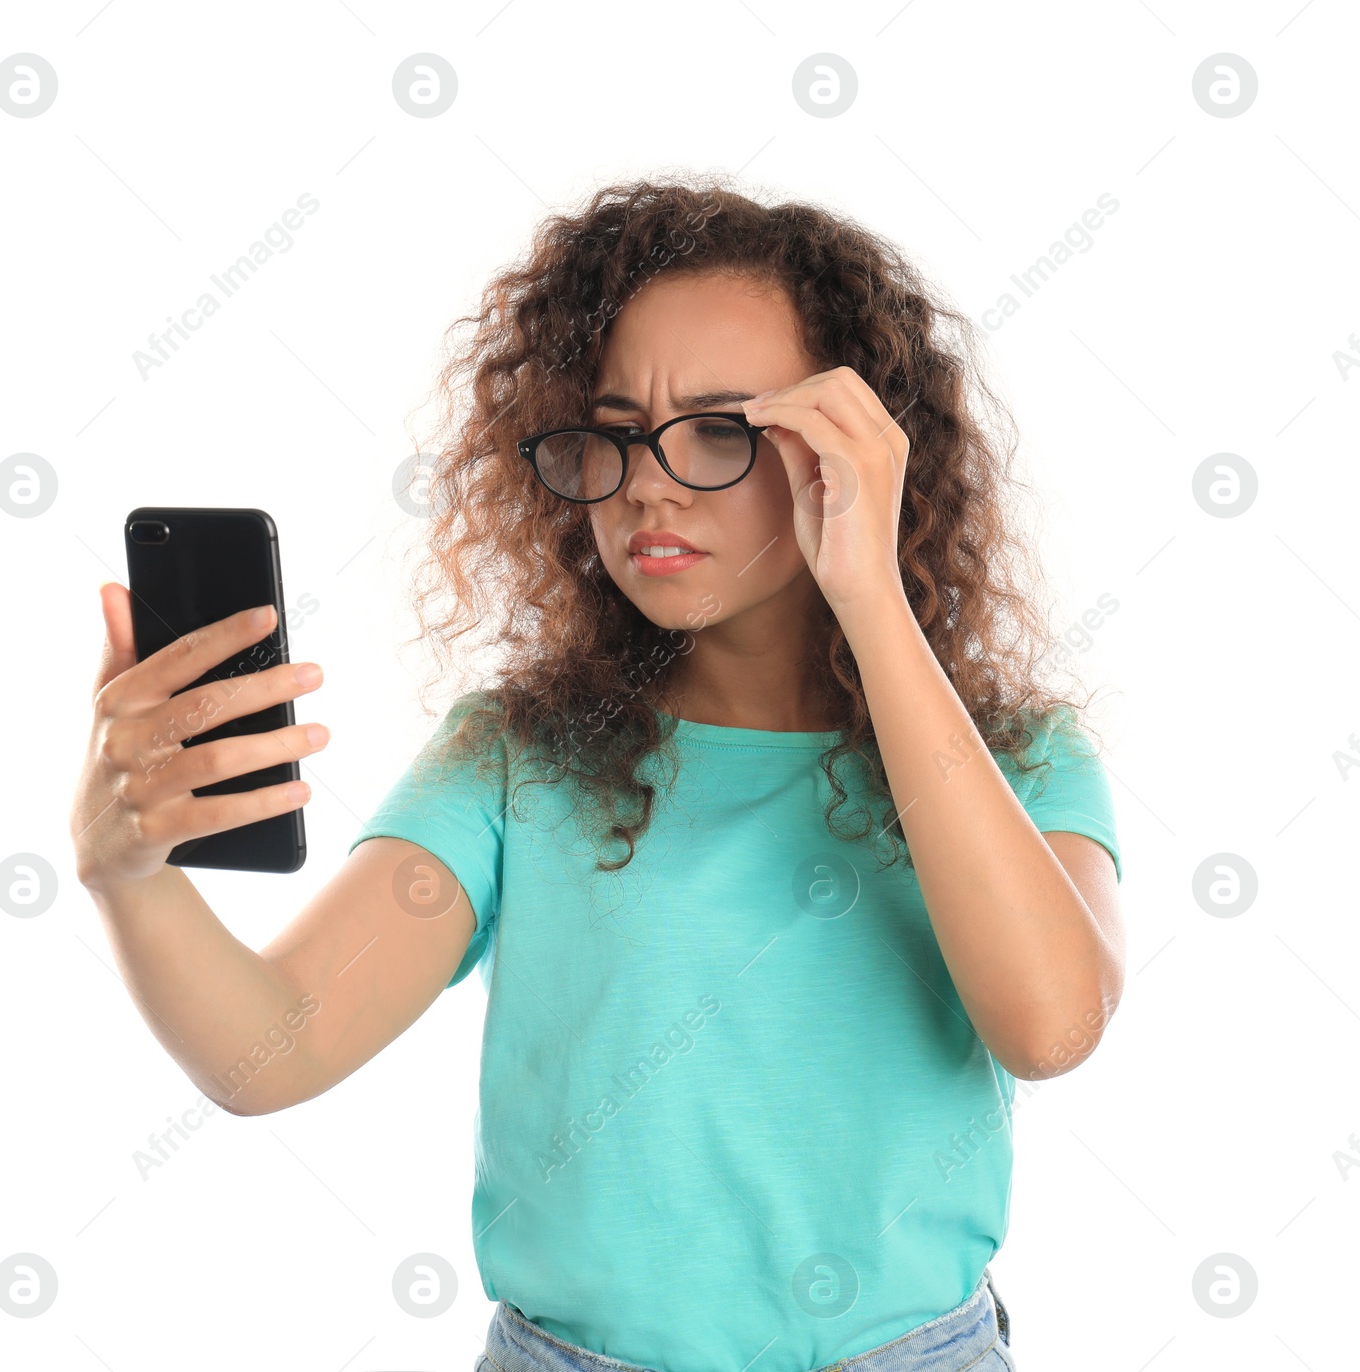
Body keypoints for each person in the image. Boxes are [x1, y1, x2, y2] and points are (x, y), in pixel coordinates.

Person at [71, 176, 1123, 1372]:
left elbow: (1052, 1026)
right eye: (613, 432)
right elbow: (272, 1049)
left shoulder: (1014, 757)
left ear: (856, 450)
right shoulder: (518, 755)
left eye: (723, 429)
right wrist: (126, 874)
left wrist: (870, 595)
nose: (647, 483)